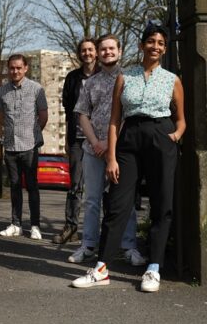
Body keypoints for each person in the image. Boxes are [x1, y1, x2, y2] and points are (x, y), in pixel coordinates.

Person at [71, 22, 185, 293]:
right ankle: (101, 269)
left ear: (164, 48)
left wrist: (176, 135)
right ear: (141, 45)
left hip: (161, 136)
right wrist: (111, 156)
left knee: (161, 202)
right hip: (129, 139)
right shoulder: (126, 77)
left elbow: (181, 119)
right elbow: (114, 120)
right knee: (118, 204)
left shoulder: (172, 79)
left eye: (160, 43)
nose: (155, 47)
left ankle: (153, 269)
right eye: (150, 42)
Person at [67, 34, 145, 267]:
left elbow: (132, 115)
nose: (107, 52)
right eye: (103, 49)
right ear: (99, 53)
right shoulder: (89, 83)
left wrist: (112, 144)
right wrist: (96, 142)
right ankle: (88, 245)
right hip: (94, 151)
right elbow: (82, 114)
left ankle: (129, 246)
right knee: (91, 200)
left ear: (119, 51)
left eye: (112, 48)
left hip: (122, 151)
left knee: (125, 200)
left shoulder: (131, 79)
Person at [0, 54, 48, 240]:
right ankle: (16, 224)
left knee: (32, 187)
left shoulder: (37, 89)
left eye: (19, 68)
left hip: (29, 146)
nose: (15, 71)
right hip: (10, 146)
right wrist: (10, 133)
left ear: (25, 68)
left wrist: (33, 135)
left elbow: (43, 115)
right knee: (14, 186)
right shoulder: (2, 91)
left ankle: (35, 225)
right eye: (12, 68)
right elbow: (1, 116)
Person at [53, 38, 98, 244]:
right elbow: (67, 108)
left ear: (96, 52)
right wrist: (67, 138)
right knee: (75, 186)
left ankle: (100, 232)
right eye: (83, 50)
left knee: (101, 188)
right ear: (80, 54)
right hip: (77, 139)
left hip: (100, 139)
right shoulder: (72, 78)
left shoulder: (105, 75)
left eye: (90, 49)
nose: (87, 53)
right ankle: (71, 228)